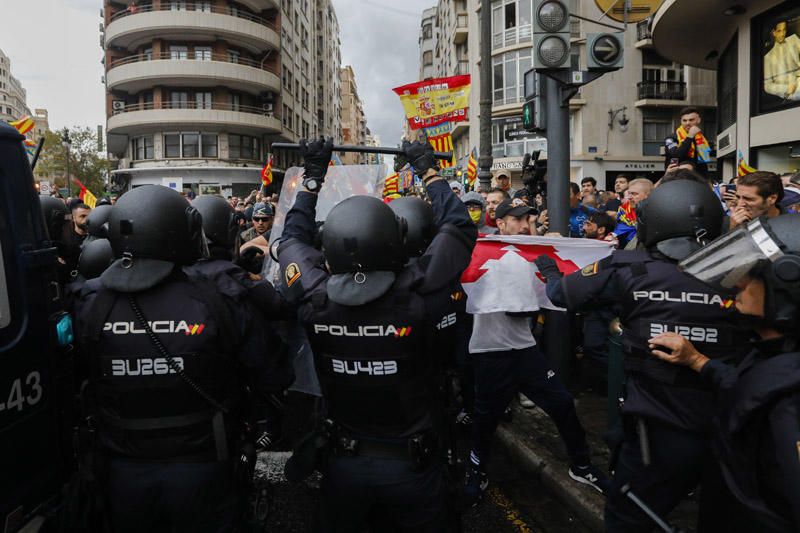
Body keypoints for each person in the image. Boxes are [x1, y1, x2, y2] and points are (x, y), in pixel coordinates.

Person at [277, 138, 477, 532]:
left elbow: (291, 240)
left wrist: (313, 176)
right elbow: (459, 227)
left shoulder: (314, 299)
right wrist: (428, 170)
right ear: (397, 241)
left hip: (344, 463)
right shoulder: (423, 294)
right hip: (414, 467)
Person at [72, 185, 289, 532]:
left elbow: (77, 375)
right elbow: (272, 371)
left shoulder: (90, 301)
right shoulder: (217, 294)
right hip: (204, 466)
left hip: (121, 470)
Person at [536, 180, 751, 532]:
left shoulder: (629, 269)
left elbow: (562, 294)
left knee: (627, 518)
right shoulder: (745, 273)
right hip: (732, 426)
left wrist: (548, 270)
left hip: (656, 432)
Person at [648, 214, 800, 531]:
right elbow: (751, 391)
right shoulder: (772, 354)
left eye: (753, 274)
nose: (739, 282)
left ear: (787, 286)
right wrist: (697, 361)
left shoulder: (792, 405)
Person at [464, 197, 608, 506]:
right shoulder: (485, 248)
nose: (524, 224)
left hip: (525, 350)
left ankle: (581, 465)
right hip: (490, 350)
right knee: (486, 417)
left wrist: (554, 245)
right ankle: (475, 469)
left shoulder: (533, 251)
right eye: (516, 220)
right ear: (500, 224)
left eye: (527, 219)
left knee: (562, 404)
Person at [763, 20, 800, 100]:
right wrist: (786, 88)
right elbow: (767, 86)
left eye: (784, 30)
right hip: (790, 88)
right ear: (774, 32)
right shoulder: (768, 58)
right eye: (779, 31)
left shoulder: (793, 39)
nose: (783, 34)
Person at [614, 178, 653, 250]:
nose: (629, 197)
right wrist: (613, 236)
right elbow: (620, 230)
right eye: (629, 193)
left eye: (634, 194)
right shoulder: (624, 210)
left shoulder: (657, 214)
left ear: (648, 195)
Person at [672, 107, 712, 175]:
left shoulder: (702, 138)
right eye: (684, 120)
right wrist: (690, 136)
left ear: (698, 120)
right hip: (680, 177)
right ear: (680, 121)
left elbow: (704, 162)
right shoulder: (673, 137)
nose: (687, 123)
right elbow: (676, 156)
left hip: (699, 177)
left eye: (691, 120)